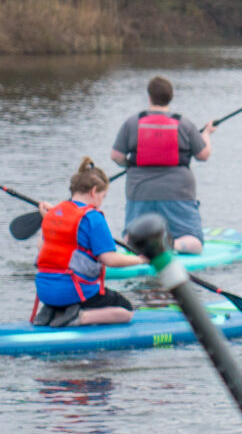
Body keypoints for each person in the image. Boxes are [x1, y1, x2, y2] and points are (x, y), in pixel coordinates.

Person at [31, 159, 145, 327]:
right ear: (94, 192)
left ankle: (54, 310)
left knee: (64, 284)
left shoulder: (53, 214)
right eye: (103, 196)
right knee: (126, 311)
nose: (101, 202)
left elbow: (41, 248)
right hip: (74, 291)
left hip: (44, 290)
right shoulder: (93, 217)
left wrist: (47, 218)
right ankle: (78, 317)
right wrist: (141, 260)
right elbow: (110, 260)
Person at [109, 75, 213, 252]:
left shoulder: (132, 122)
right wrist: (207, 135)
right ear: (170, 97)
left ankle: (135, 243)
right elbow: (203, 155)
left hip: (140, 190)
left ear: (149, 97)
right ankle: (175, 245)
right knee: (194, 240)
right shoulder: (184, 123)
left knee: (131, 238)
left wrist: (130, 166)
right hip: (178, 191)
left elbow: (116, 156)